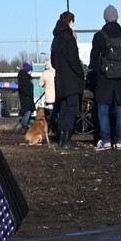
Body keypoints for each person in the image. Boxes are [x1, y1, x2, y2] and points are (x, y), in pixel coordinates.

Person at [89, 5, 121, 149]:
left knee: (103, 109)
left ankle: (105, 140)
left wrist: (100, 71)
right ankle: (120, 140)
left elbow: (93, 59)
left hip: (105, 78)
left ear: (105, 18)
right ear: (117, 17)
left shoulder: (99, 36)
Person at [48, 12, 85, 152]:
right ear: (70, 21)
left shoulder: (56, 38)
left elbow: (53, 62)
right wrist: (81, 73)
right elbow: (74, 60)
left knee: (63, 108)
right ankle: (67, 139)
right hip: (72, 80)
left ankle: (62, 138)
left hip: (61, 79)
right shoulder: (69, 38)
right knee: (72, 109)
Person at [16, 62, 36, 130]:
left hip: (27, 98)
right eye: (31, 70)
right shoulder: (24, 77)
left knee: (27, 112)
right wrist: (28, 93)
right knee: (27, 112)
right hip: (26, 98)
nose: (32, 71)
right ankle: (24, 126)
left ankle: (25, 126)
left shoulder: (24, 77)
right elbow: (22, 88)